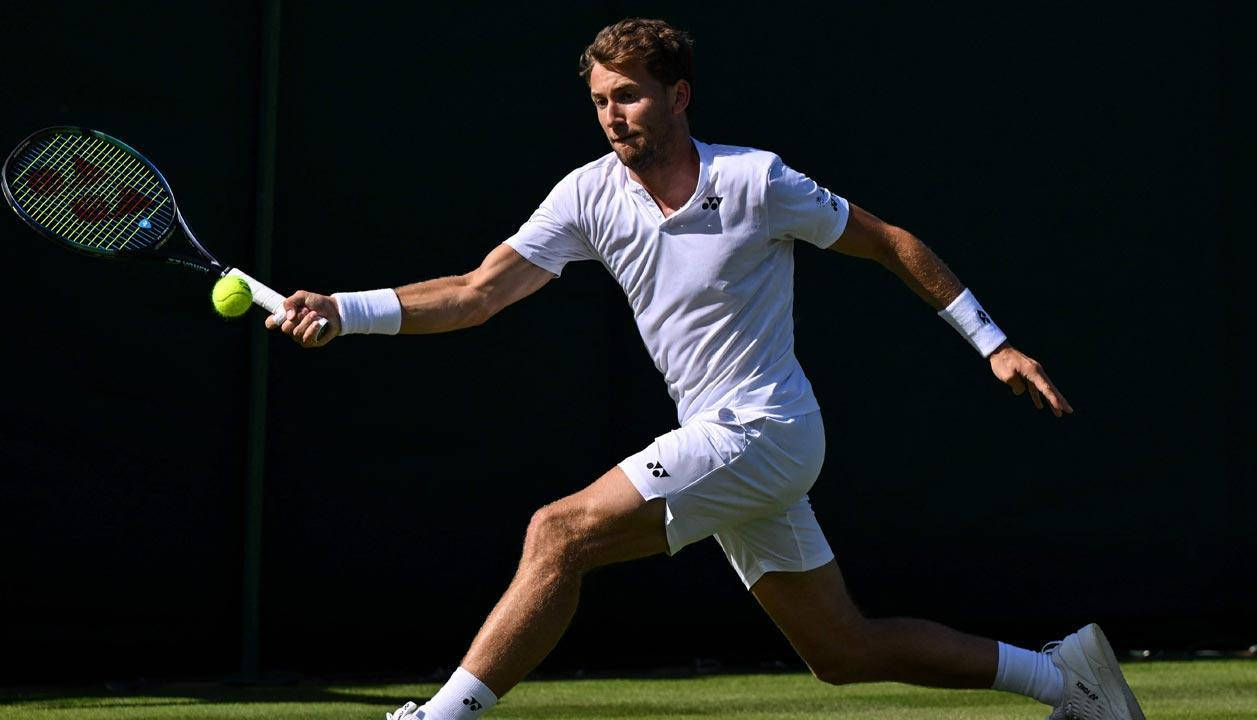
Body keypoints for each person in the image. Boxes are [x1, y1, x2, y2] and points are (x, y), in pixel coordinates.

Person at [267, 18, 1143, 720]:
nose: (613, 116)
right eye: (601, 101)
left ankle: (441, 718)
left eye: (631, 97)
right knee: (842, 652)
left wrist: (992, 342)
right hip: (726, 442)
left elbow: (889, 242)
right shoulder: (586, 195)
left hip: (766, 429)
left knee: (557, 532)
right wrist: (347, 311)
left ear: (677, 96)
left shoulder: (758, 182)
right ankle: (1063, 678)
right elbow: (476, 291)